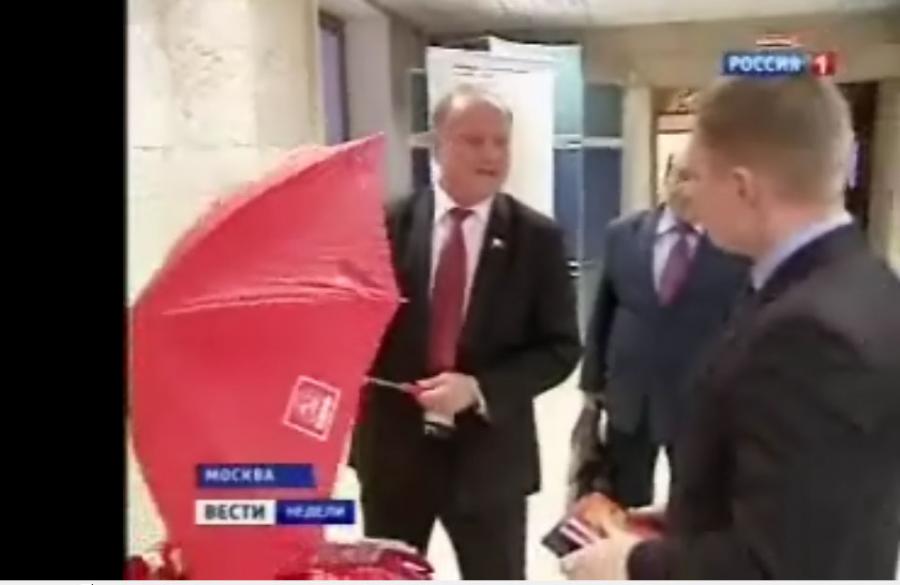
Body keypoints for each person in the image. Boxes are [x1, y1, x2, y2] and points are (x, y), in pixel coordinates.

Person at [561, 74, 900, 580]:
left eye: (698, 176)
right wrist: (689, 517)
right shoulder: (863, 281)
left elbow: (779, 565)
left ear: (742, 187)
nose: (690, 196)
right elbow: (808, 497)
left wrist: (630, 564)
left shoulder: (809, 335)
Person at [350, 84, 582, 579]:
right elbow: (355, 326)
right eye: (474, 141)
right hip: (394, 455)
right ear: (437, 146)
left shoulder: (537, 238)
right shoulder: (385, 225)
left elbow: (561, 348)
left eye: (501, 142)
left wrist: (478, 389)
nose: (491, 154)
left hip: (490, 462)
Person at [571, 151, 747, 508]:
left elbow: (746, 325)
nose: (689, 189)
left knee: (696, 504)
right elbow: (604, 310)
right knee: (623, 502)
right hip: (630, 395)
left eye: (700, 179)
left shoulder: (736, 247)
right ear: (665, 180)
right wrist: (592, 384)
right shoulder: (623, 234)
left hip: (698, 401)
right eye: (682, 176)